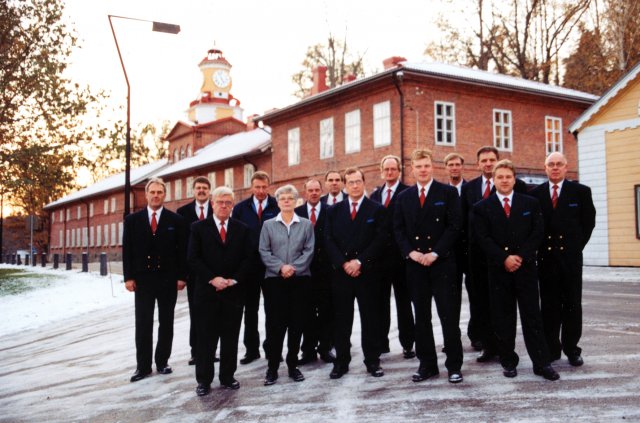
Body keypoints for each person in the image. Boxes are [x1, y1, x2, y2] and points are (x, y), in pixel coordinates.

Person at [472, 159, 559, 381]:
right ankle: (508, 361)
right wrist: (504, 258)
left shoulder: (530, 203)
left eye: (508, 177)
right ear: (493, 180)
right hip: (499, 271)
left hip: (525, 269)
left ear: (514, 179)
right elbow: (483, 238)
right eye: (500, 177)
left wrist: (520, 256)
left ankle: (541, 363)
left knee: (533, 317)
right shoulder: (481, 208)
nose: (504, 180)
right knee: (503, 318)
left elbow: (537, 232)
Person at [394, 149, 464, 384]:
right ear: (412, 169)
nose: (423, 170)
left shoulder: (448, 192)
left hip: (441, 263)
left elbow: (455, 226)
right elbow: (398, 229)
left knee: (448, 316)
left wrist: (436, 252)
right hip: (416, 265)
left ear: (432, 167)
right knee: (421, 317)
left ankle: (454, 366)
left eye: (426, 165)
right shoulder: (403, 197)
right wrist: (411, 252)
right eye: (418, 166)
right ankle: (427, 365)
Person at [460, 145, 527, 359]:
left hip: (505, 257)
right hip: (478, 258)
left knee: (504, 305)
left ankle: (504, 348)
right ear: (478, 164)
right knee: (481, 303)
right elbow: (463, 224)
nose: (488, 164)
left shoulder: (518, 186)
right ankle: (488, 346)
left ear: (498, 161)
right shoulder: (469, 189)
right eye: (484, 161)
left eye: (491, 160)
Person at [529, 152, 596, 366]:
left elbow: (588, 223)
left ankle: (572, 349)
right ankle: (551, 349)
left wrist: (575, 247)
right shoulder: (536, 194)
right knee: (549, 305)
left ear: (566, 167)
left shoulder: (581, 192)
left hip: (570, 258)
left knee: (572, 304)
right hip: (547, 258)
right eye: (551, 164)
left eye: (559, 164)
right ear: (545, 168)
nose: (555, 167)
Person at [188, 187, 252, 396]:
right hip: (207, 292)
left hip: (233, 293)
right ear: (212, 204)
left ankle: (227, 376)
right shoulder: (198, 228)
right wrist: (212, 278)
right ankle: (203, 380)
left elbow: (248, 258)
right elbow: (193, 258)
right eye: (220, 202)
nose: (224, 206)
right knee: (205, 339)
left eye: (228, 202)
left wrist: (234, 279)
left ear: (232, 205)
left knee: (230, 338)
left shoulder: (242, 229)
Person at [324, 167, 387, 379]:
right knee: (342, 320)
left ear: (364, 182)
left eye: (358, 181)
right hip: (342, 274)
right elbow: (328, 240)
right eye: (350, 182)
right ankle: (341, 362)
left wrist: (360, 262)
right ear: (345, 185)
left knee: (371, 318)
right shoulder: (333, 211)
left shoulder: (376, 209)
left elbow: (380, 239)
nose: (354, 185)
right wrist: (344, 263)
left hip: (366, 272)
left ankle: (372, 361)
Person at [123, 178, 187, 383]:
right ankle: (142, 366)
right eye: (153, 192)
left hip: (168, 279)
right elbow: (127, 251)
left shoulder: (175, 220)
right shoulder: (132, 220)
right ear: (146, 194)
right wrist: (128, 277)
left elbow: (182, 251)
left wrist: (182, 277)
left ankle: (162, 361)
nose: (156, 195)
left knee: (166, 321)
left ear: (164, 195)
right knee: (143, 322)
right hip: (143, 279)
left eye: (160, 192)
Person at [259, 185, 315, 385]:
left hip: (300, 280)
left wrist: (294, 268)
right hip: (275, 280)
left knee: (296, 323)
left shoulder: (306, 224)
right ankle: (272, 367)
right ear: (278, 202)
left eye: (290, 198)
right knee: (276, 325)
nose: (286, 201)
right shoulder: (268, 225)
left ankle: (293, 365)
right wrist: (281, 267)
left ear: (296, 201)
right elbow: (264, 251)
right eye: (282, 199)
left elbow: (309, 250)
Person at [369, 155, 415, 359]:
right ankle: (382, 343)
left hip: (401, 258)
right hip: (380, 260)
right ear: (381, 171)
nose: (389, 172)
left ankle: (408, 343)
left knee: (404, 302)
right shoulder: (375, 195)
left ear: (399, 170)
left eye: (393, 169)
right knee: (380, 303)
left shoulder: (408, 192)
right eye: (386, 169)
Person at [232, 171, 280, 365]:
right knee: (250, 310)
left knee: (273, 310)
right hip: (249, 268)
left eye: (264, 187)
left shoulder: (276, 205)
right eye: (257, 187)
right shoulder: (240, 208)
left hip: (271, 266)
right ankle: (251, 350)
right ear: (251, 187)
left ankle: (273, 348)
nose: (260, 191)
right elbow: (235, 236)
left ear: (269, 186)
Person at [295, 178, 336, 365]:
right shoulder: (297, 213)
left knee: (326, 310)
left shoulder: (331, 211)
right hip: (304, 271)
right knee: (306, 312)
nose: (313, 193)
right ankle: (308, 351)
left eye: (316, 190)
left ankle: (325, 348)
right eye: (310, 190)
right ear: (305, 192)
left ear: (321, 191)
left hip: (326, 270)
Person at [176, 176, 216, 366]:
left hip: (215, 271)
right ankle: (196, 351)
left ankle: (211, 350)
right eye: (198, 188)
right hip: (193, 273)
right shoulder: (182, 213)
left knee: (214, 312)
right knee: (196, 312)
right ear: (193, 191)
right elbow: (179, 246)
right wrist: (181, 275)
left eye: (204, 188)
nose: (201, 191)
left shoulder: (216, 209)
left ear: (209, 191)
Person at [444, 152, 474, 350]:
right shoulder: (442, 191)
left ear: (462, 166)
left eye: (457, 164)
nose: (454, 168)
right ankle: (452, 339)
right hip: (450, 252)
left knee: (475, 295)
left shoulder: (471, 189)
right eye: (451, 165)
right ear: (446, 167)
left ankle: (476, 335)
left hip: (470, 250)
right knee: (450, 298)